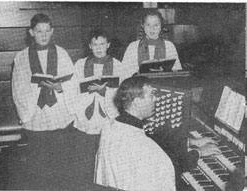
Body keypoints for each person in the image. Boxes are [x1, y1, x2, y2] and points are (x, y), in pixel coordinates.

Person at [11, 13, 82, 189]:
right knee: (39, 164)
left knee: (62, 162)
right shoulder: (21, 57)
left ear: (52, 32)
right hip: (36, 113)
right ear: (31, 32)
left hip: (59, 111)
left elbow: (72, 83)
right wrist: (36, 87)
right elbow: (18, 88)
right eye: (39, 31)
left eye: (47, 31)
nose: (43, 35)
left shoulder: (62, 53)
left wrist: (59, 87)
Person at [94, 76, 176, 191]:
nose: (156, 99)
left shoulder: (108, 126)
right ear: (137, 102)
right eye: (151, 95)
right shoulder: (148, 149)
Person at [74, 29, 128, 135]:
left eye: (102, 44)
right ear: (90, 46)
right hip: (86, 108)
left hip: (109, 109)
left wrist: (106, 91)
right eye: (95, 44)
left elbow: (122, 88)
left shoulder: (117, 65)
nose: (99, 48)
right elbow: (73, 87)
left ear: (108, 45)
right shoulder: (80, 64)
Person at [122, 9, 182, 77]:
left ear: (161, 26)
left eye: (156, 25)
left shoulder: (169, 46)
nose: (152, 29)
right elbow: (124, 73)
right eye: (148, 25)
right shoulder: (133, 47)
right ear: (143, 26)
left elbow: (177, 72)